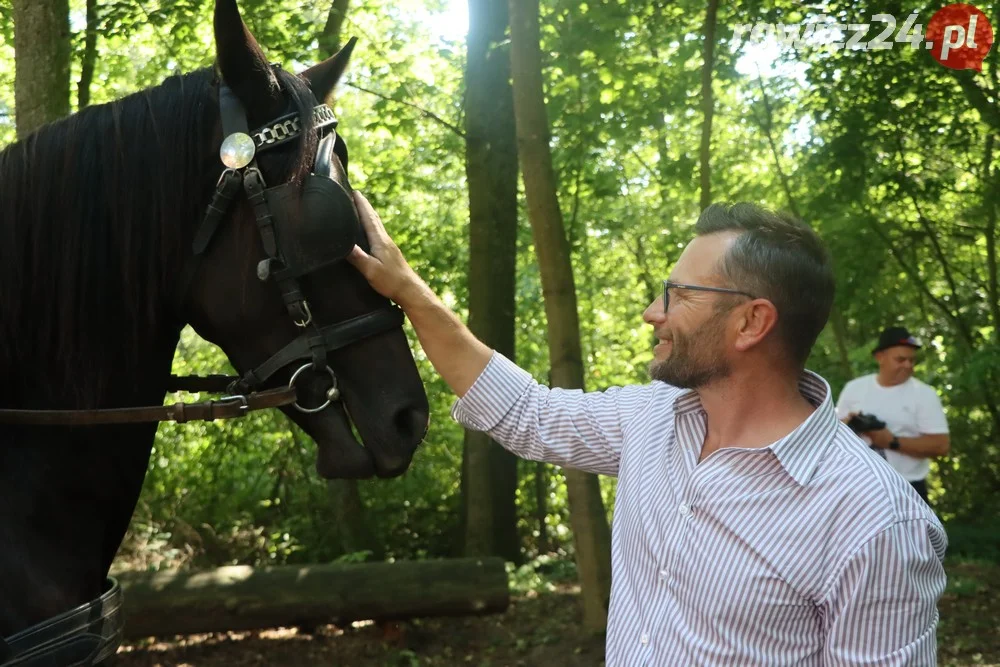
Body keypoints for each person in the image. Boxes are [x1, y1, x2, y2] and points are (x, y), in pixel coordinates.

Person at [346, 193, 947, 665]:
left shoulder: (877, 523)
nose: (652, 313)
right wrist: (408, 293)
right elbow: (525, 412)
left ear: (751, 322)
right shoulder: (652, 418)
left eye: (678, 295)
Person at [836, 326, 950, 505]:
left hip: (908, 489)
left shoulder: (924, 394)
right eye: (901, 359)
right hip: (859, 486)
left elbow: (941, 446)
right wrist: (850, 423)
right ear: (880, 357)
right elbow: (835, 434)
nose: (908, 365)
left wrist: (891, 442)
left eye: (912, 360)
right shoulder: (854, 388)